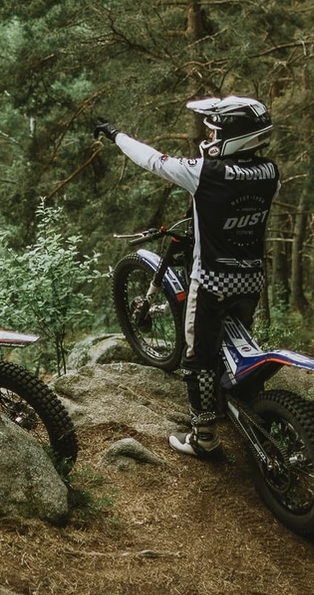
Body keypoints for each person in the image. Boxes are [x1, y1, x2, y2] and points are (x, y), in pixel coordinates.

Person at [96, 96, 280, 455]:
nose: (209, 134)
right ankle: (237, 397)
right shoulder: (271, 172)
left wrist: (116, 135)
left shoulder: (206, 173)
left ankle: (204, 437)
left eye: (215, 128)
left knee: (197, 356)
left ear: (232, 136)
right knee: (234, 340)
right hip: (251, 278)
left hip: (211, 279)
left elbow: (152, 159)